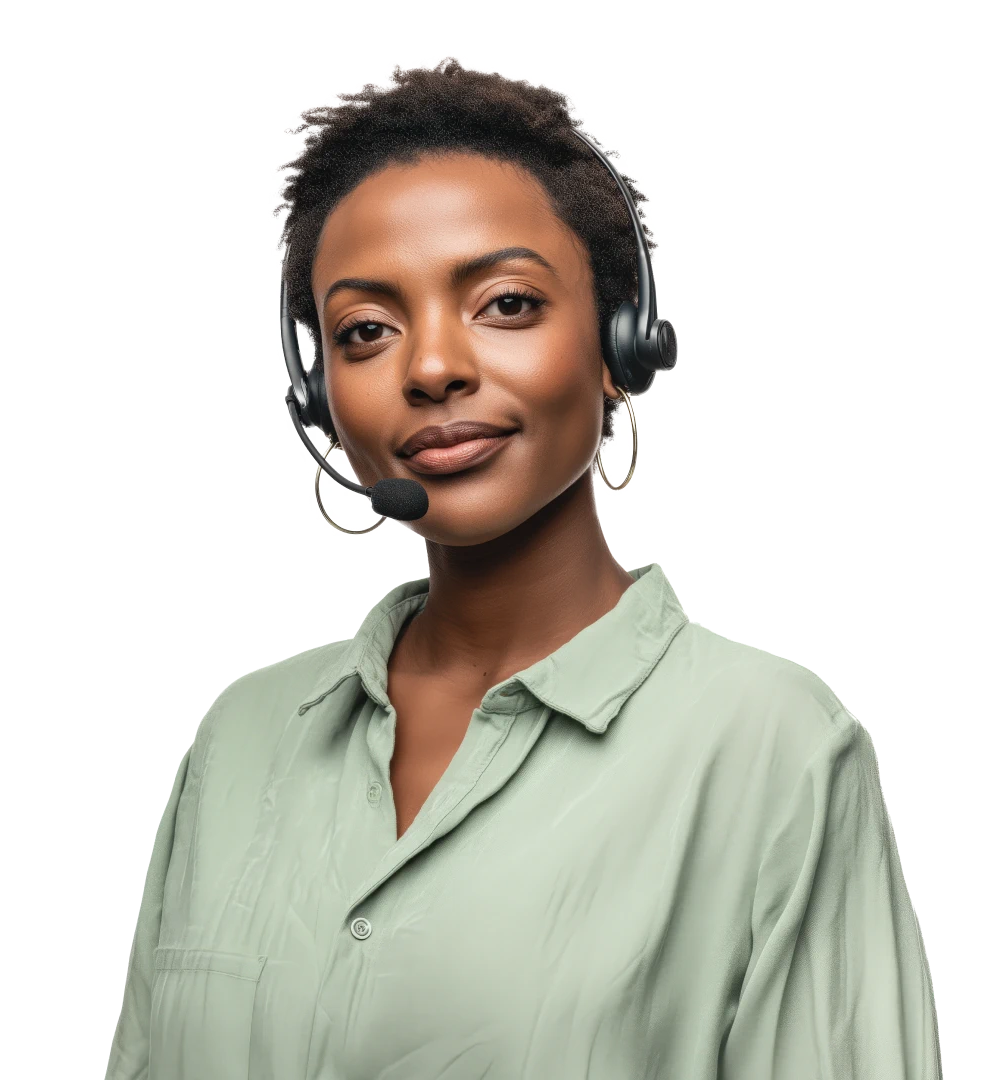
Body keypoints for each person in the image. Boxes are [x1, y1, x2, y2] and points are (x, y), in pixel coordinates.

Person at [105, 58, 943, 1080]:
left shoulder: (774, 751)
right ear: (323, 397)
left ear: (621, 342)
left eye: (504, 303)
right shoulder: (237, 741)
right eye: (366, 331)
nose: (430, 367)